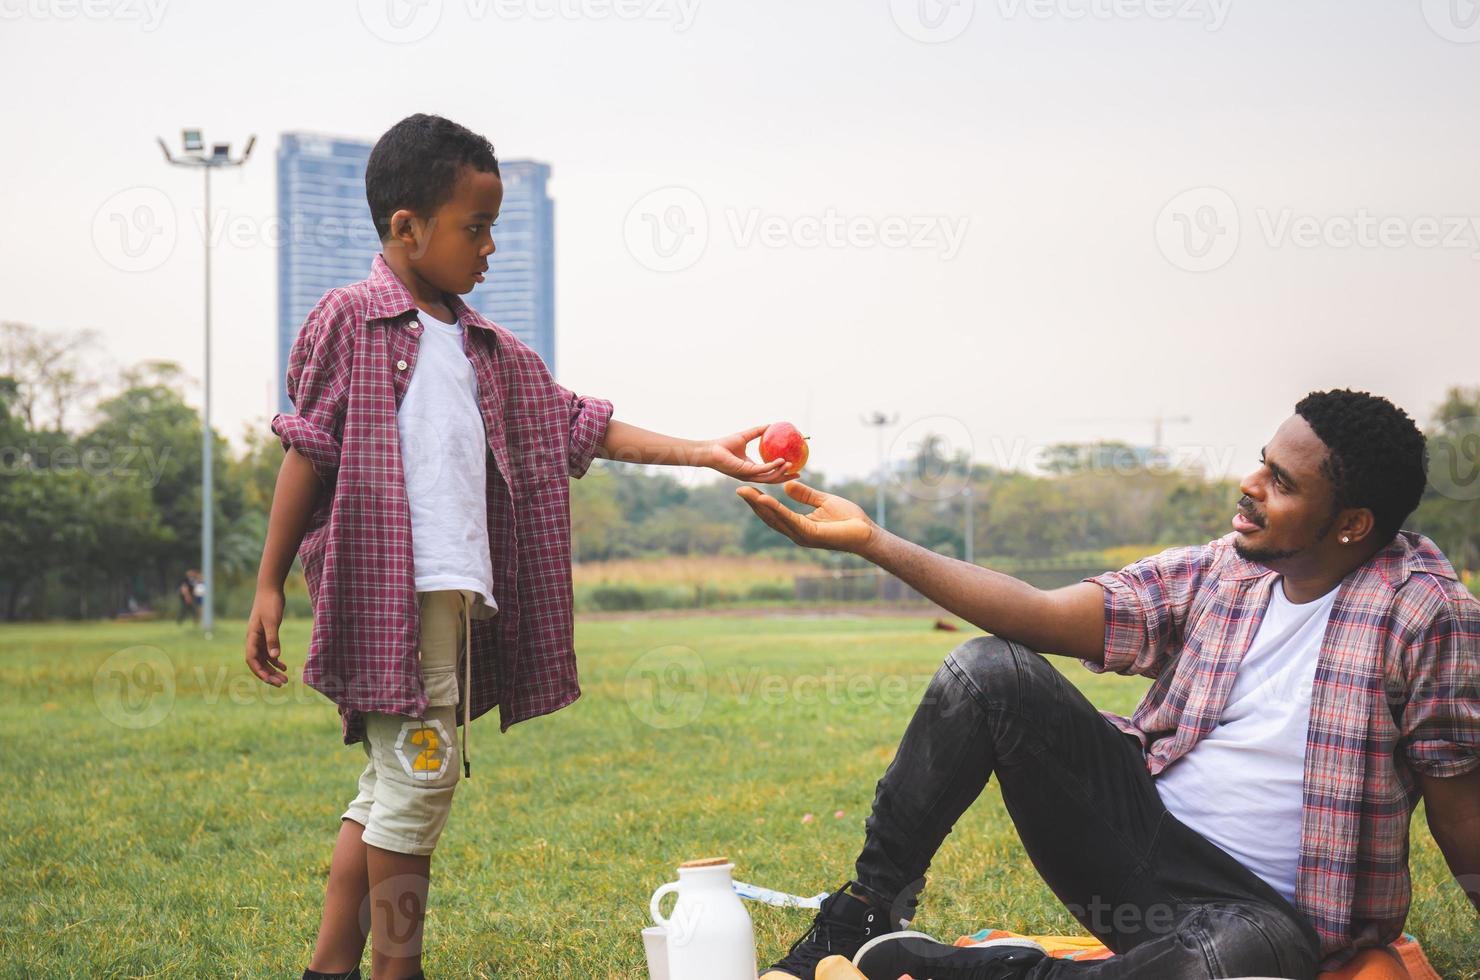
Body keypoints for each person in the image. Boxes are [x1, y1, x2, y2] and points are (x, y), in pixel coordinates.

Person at [243, 114, 791, 980]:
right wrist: (269, 583)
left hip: (452, 598)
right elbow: (308, 448)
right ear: (406, 228)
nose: (490, 246)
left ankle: (329, 969)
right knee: (420, 786)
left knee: (388, 791)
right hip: (397, 599)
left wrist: (705, 452)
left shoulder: (488, 349)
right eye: (476, 226)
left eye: (494, 225)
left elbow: (585, 425)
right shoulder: (350, 318)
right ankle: (398, 969)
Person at [738, 390, 1478, 980]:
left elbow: (1460, 812)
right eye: (1262, 463)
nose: (1249, 487)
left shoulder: (1426, 615)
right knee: (987, 672)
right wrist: (875, 541)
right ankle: (864, 916)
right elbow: (1043, 614)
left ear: (1351, 523)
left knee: (1239, 960)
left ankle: (942, 970)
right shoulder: (1227, 568)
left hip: (1264, 921)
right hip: (1135, 849)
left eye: (1281, 483)